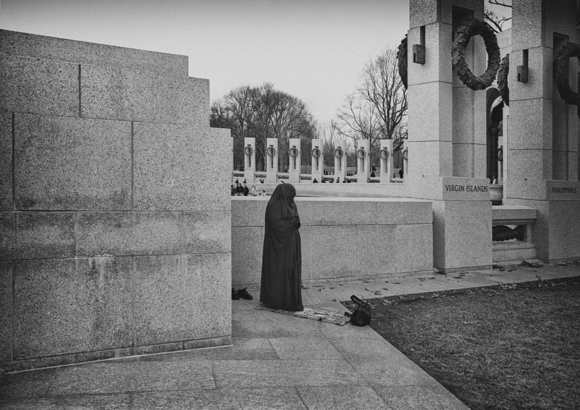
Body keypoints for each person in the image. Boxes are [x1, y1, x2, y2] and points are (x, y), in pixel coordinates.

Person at [260, 183, 303, 311]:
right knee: (279, 271)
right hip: (277, 247)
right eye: (290, 197)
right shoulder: (274, 205)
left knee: (290, 269)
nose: (292, 200)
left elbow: (297, 221)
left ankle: (289, 299)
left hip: (291, 244)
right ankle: (277, 300)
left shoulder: (290, 203)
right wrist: (291, 222)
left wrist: (294, 222)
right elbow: (276, 225)